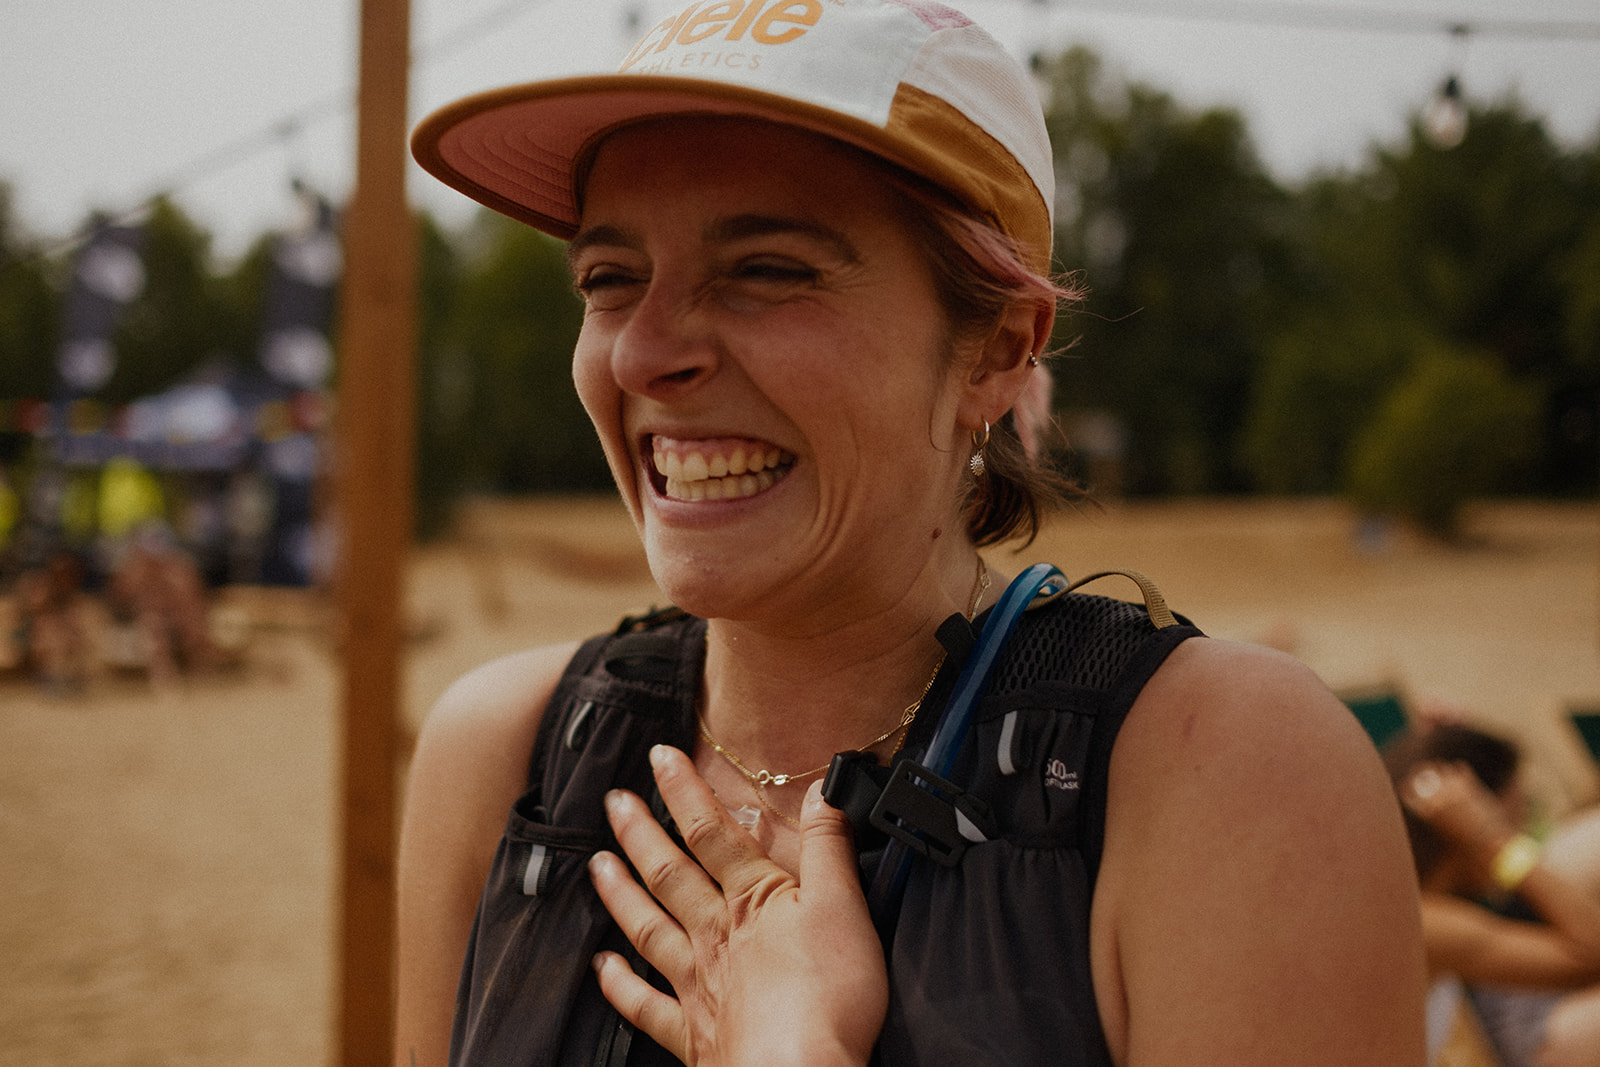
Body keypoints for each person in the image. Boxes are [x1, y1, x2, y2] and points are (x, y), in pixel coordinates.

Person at [398, 2, 1426, 1064]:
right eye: (609, 280)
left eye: (766, 268)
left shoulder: (1225, 770)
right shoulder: (503, 754)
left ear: (995, 351)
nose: (642, 354)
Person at [1386, 724, 1600, 1066]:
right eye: (1513, 824)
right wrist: (1492, 839)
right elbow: (1591, 953)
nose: (1521, 836)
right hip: (1513, 1033)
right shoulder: (1424, 922)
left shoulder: (1415, 903)